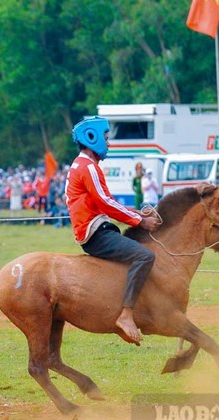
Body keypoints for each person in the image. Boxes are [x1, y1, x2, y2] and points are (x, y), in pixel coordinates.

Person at [65, 116, 160, 346]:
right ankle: (126, 314)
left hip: (95, 228)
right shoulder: (89, 168)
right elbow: (106, 203)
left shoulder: (82, 165)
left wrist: (136, 213)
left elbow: (105, 202)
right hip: (95, 233)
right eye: (106, 138)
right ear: (92, 137)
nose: (109, 143)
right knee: (144, 255)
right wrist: (140, 220)